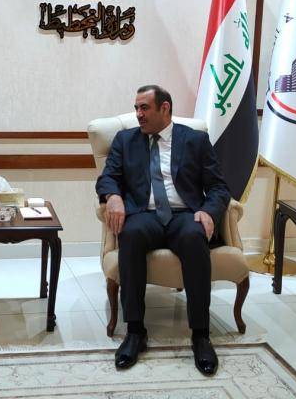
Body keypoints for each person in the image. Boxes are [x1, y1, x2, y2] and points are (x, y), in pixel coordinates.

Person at [95, 85, 230, 375]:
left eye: (144, 108)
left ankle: (201, 335)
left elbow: (219, 187)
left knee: (194, 237)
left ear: (165, 108)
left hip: (184, 214)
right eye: (136, 108)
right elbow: (108, 177)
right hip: (144, 214)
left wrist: (208, 211)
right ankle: (135, 332)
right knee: (130, 235)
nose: (138, 114)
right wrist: (113, 196)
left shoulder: (195, 140)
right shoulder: (125, 140)